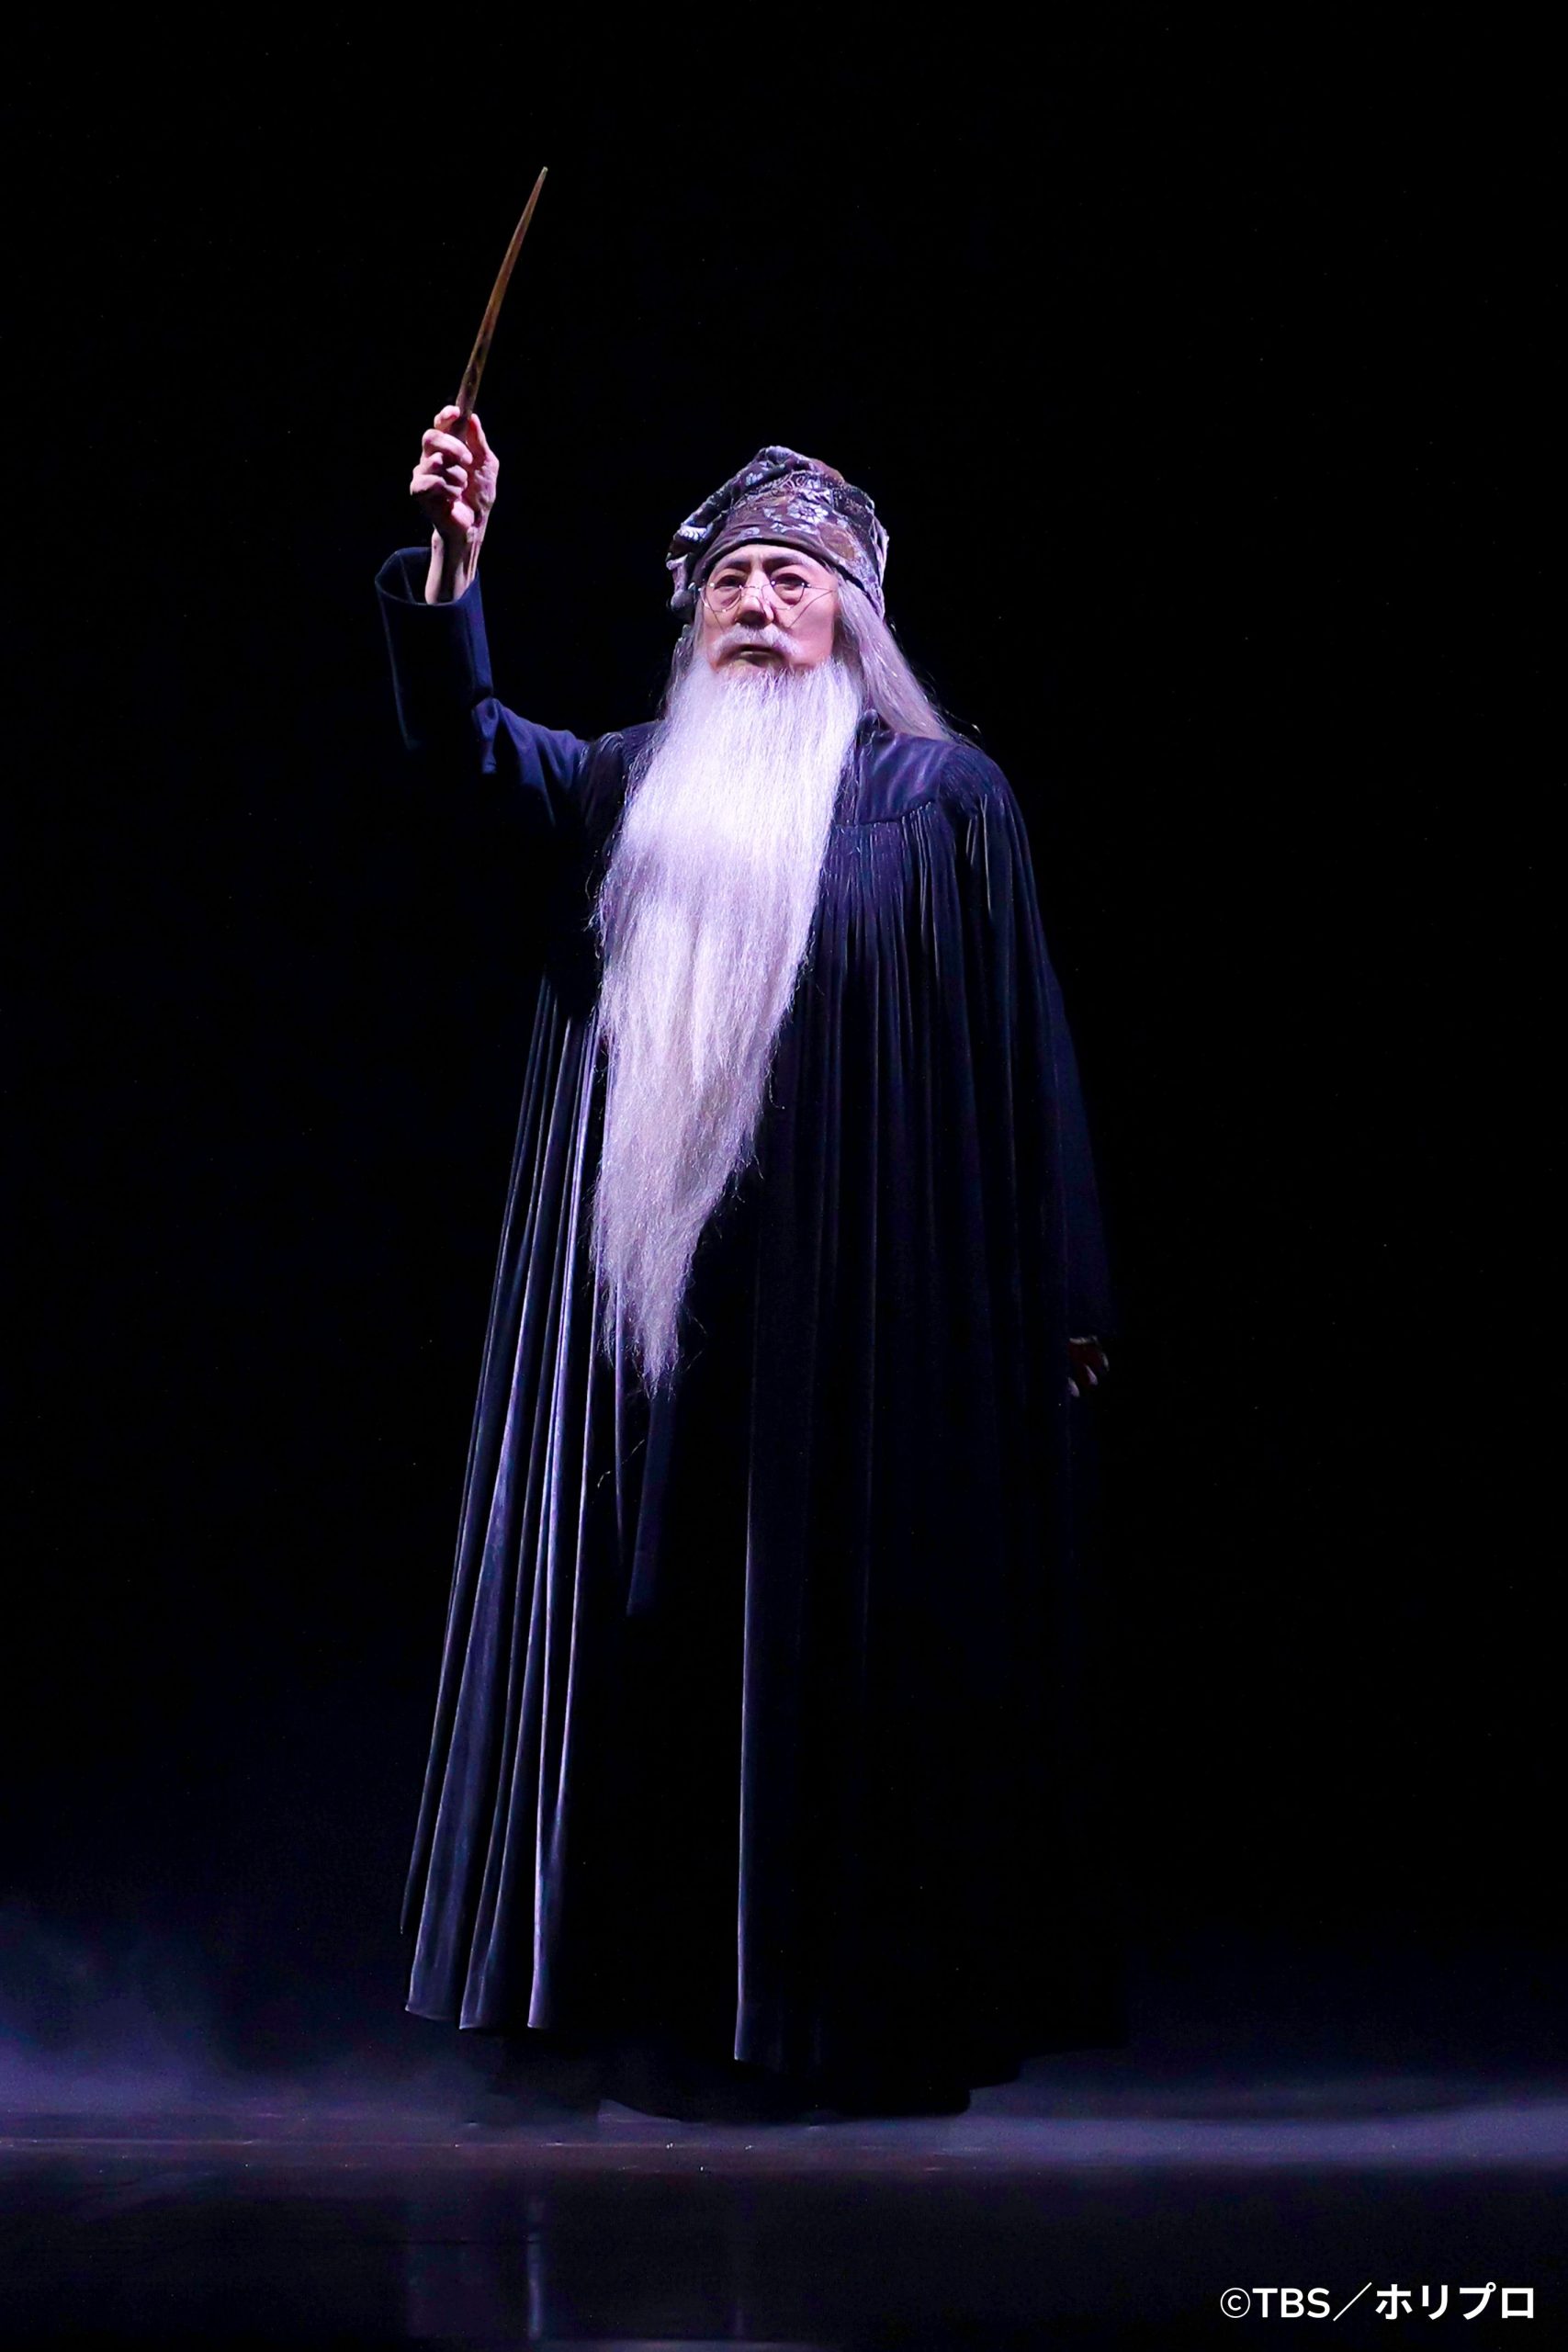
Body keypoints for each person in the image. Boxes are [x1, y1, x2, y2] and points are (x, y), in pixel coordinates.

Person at [376, 413, 1118, 2120]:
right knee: (643, 1651)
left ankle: (842, 2017)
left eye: (795, 578)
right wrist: (454, 569)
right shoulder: (623, 781)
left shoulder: (941, 800)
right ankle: (623, 2013)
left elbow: (1025, 1045)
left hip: (864, 1313)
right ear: (692, 618)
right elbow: (463, 754)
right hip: (646, 1335)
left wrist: (1069, 1288)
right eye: (731, 581)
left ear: (853, 620)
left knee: (843, 1657)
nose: (760, 602)